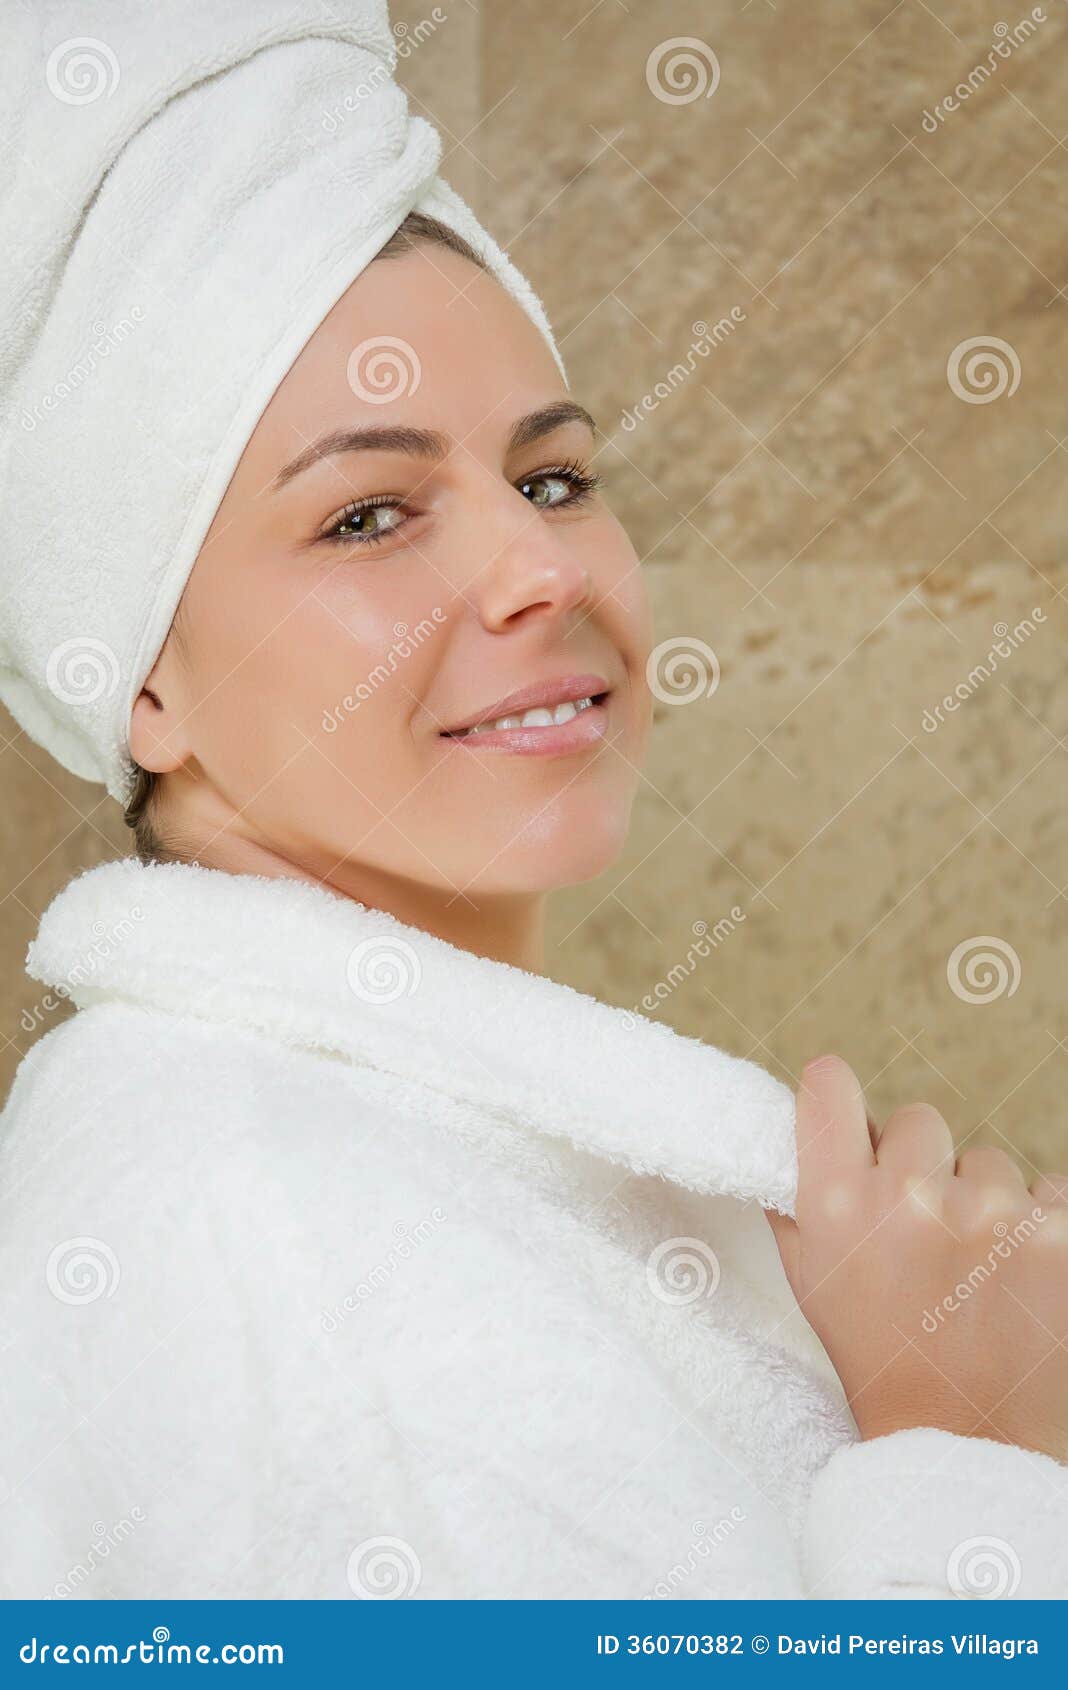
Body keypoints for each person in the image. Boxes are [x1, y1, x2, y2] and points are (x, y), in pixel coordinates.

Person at [1, 3, 1065, 1602]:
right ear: (136, 677)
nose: (543, 566)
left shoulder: (352, 1152)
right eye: (368, 514)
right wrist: (975, 1456)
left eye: (552, 476)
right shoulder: (289, 1240)